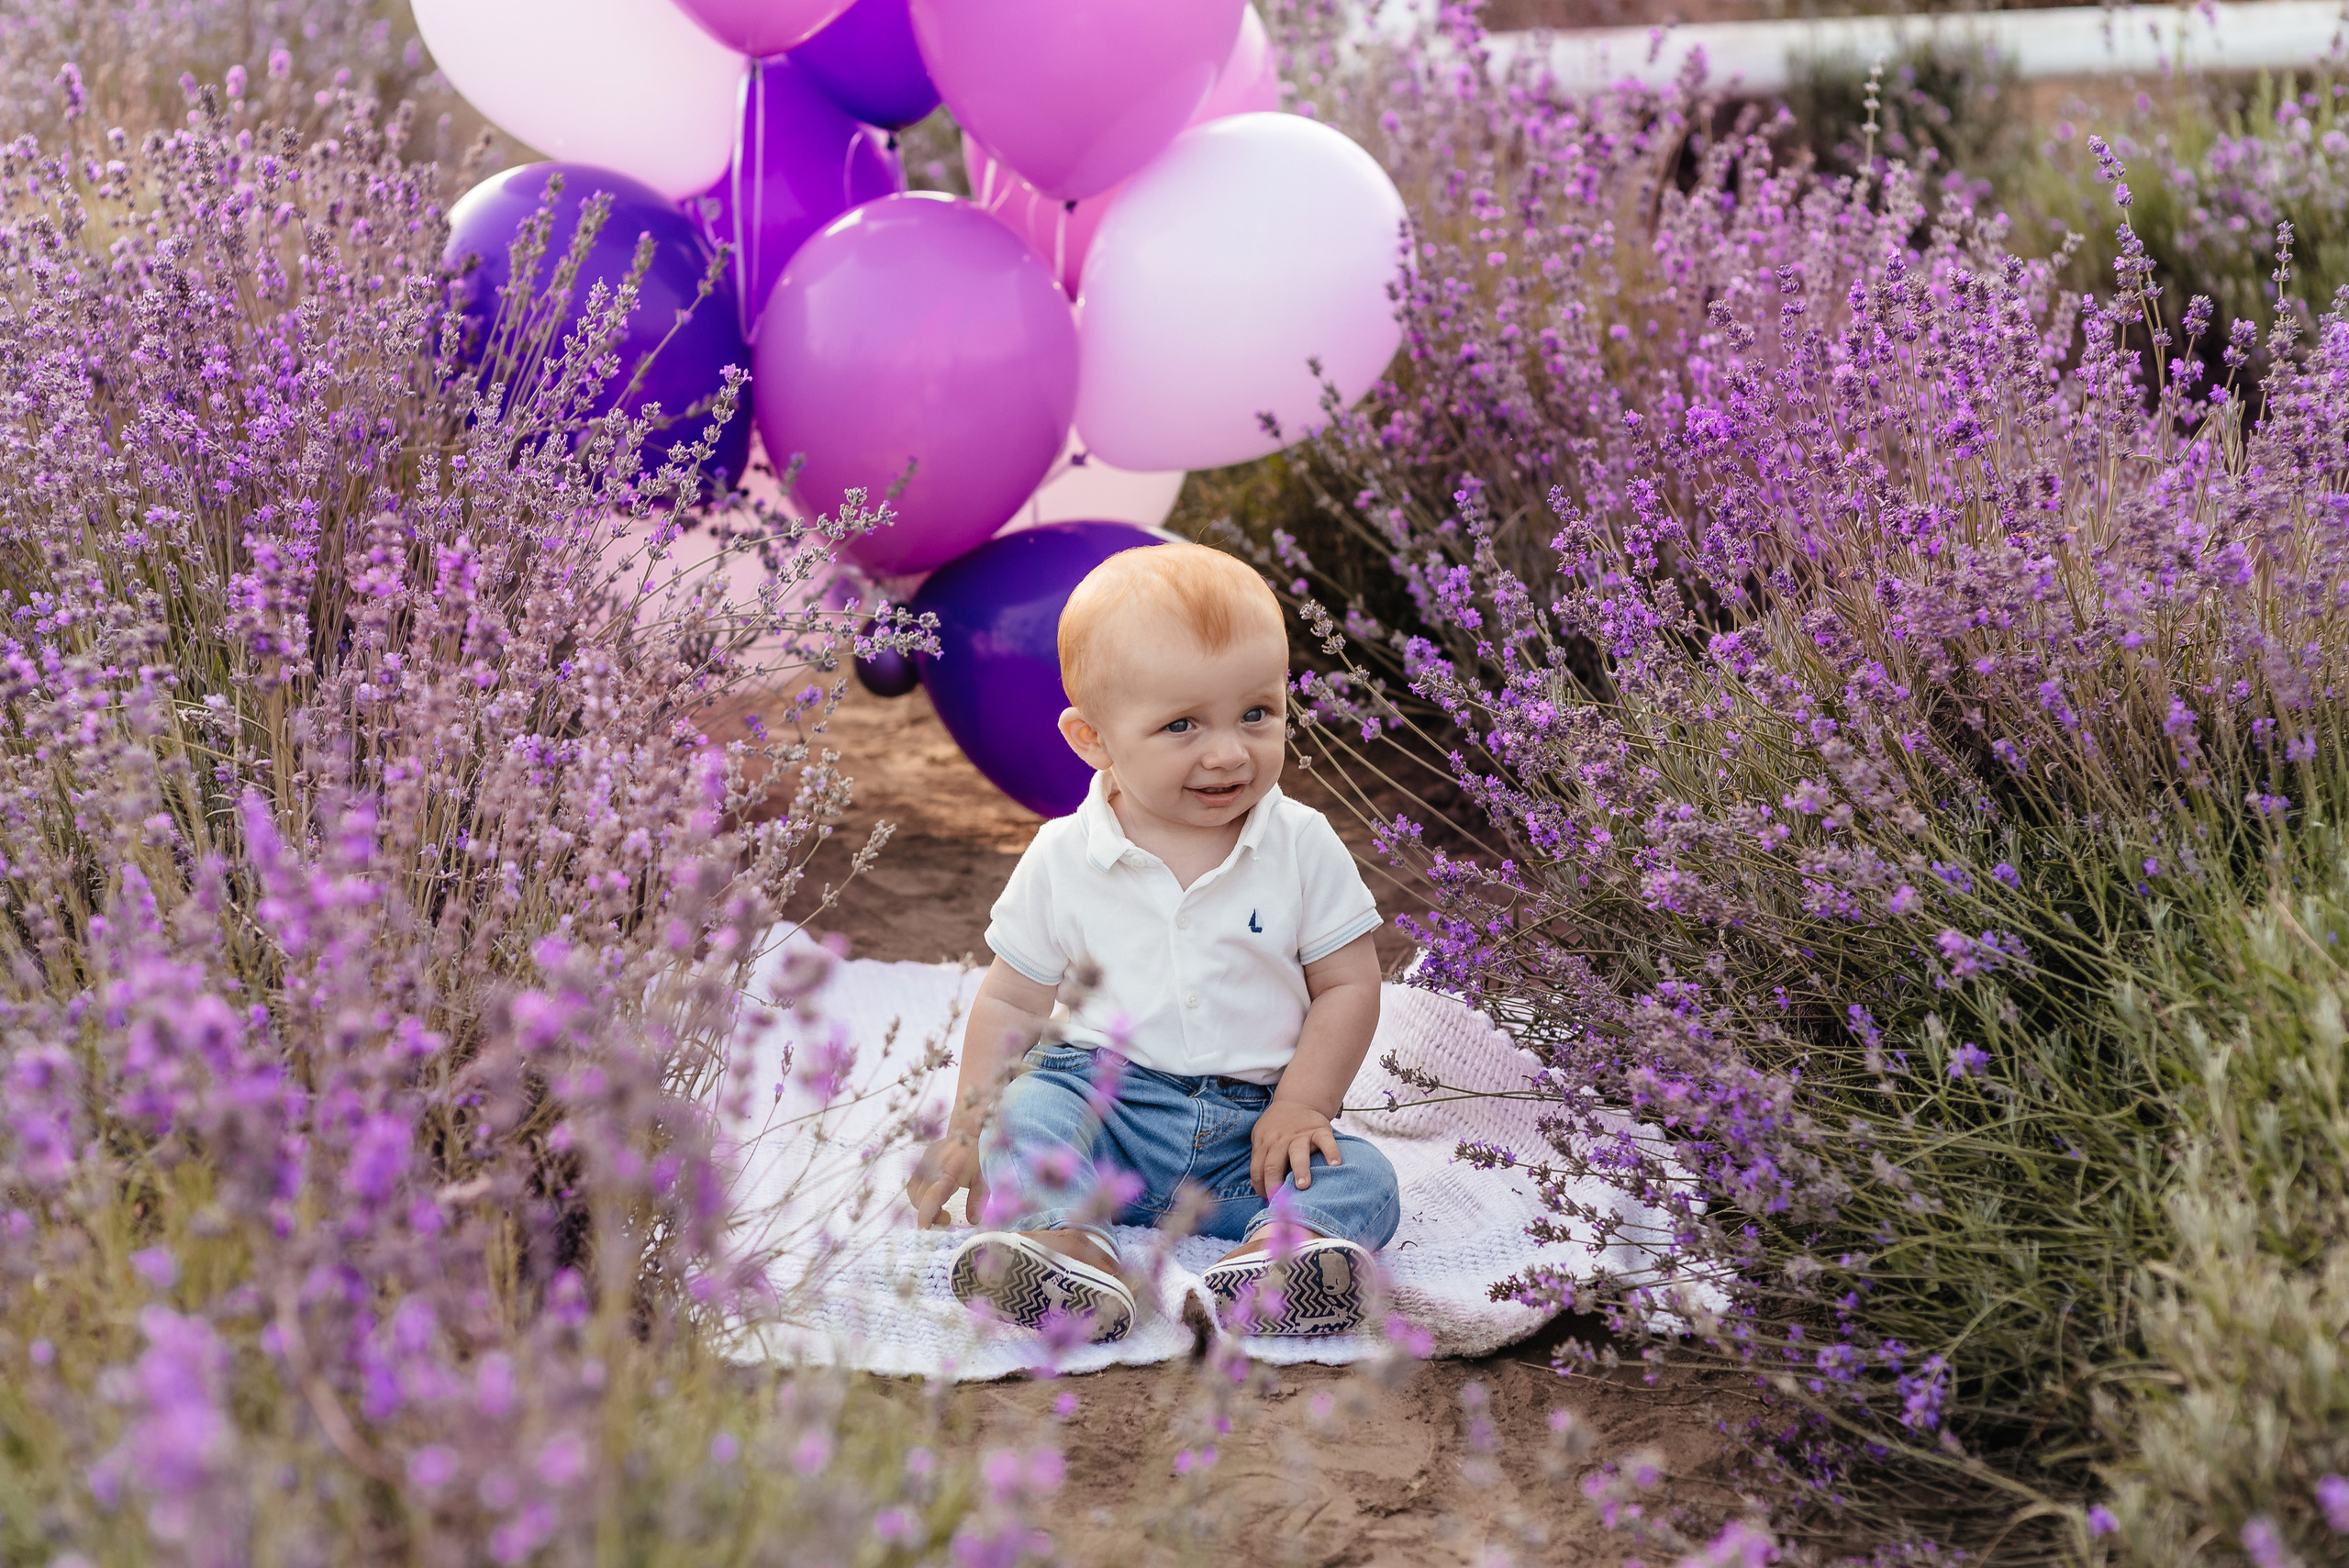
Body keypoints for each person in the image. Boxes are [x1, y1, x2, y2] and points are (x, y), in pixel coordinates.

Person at [906, 542, 1398, 1343]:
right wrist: (967, 1125)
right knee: (1027, 1114)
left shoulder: (1301, 842)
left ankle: (1286, 1259)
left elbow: (1349, 981)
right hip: (1104, 1113)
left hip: (1252, 1135)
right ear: (1092, 738)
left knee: (1363, 1177)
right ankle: (1063, 1245)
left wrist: (1303, 1103)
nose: (1228, 752)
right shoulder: (1065, 855)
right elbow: (1012, 997)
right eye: (1181, 725)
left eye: (1257, 713)